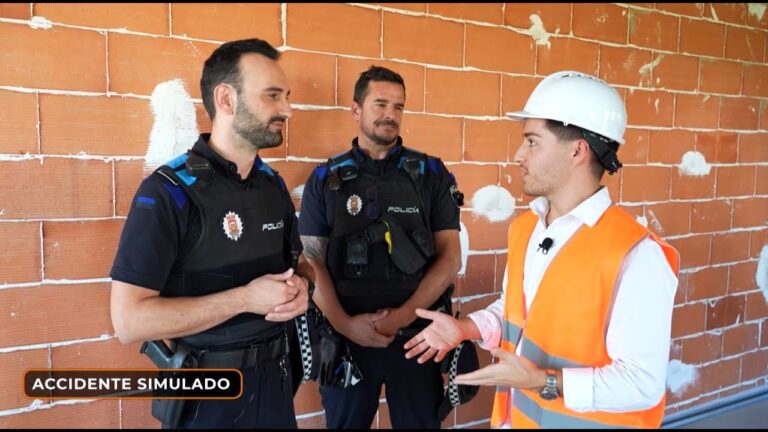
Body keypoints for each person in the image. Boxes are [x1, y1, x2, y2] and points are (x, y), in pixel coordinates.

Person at [403, 70, 680, 428]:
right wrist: (466, 328)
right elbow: (518, 312)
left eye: (532, 142)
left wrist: (543, 382)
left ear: (578, 150)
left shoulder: (636, 255)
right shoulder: (526, 230)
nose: (519, 155)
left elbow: (642, 383)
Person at [109, 38, 312, 429]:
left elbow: (300, 265)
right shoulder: (168, 192)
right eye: (272, 95)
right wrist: (246, 298)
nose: (287, 109)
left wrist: (304, 287)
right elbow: (129, 322)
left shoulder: (273, 186)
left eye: (286, 96)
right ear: (226, 99)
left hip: (275, 383)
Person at [298, 65, 463, 429]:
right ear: (356, 110)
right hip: (346, 340)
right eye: (380, 104)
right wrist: (345, 325)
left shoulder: (432, 174)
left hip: (417, 338)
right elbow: (311, 261)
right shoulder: (325, 179)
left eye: (399, 107)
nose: (391, 115)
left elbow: (451, 258)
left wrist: (403, 316)